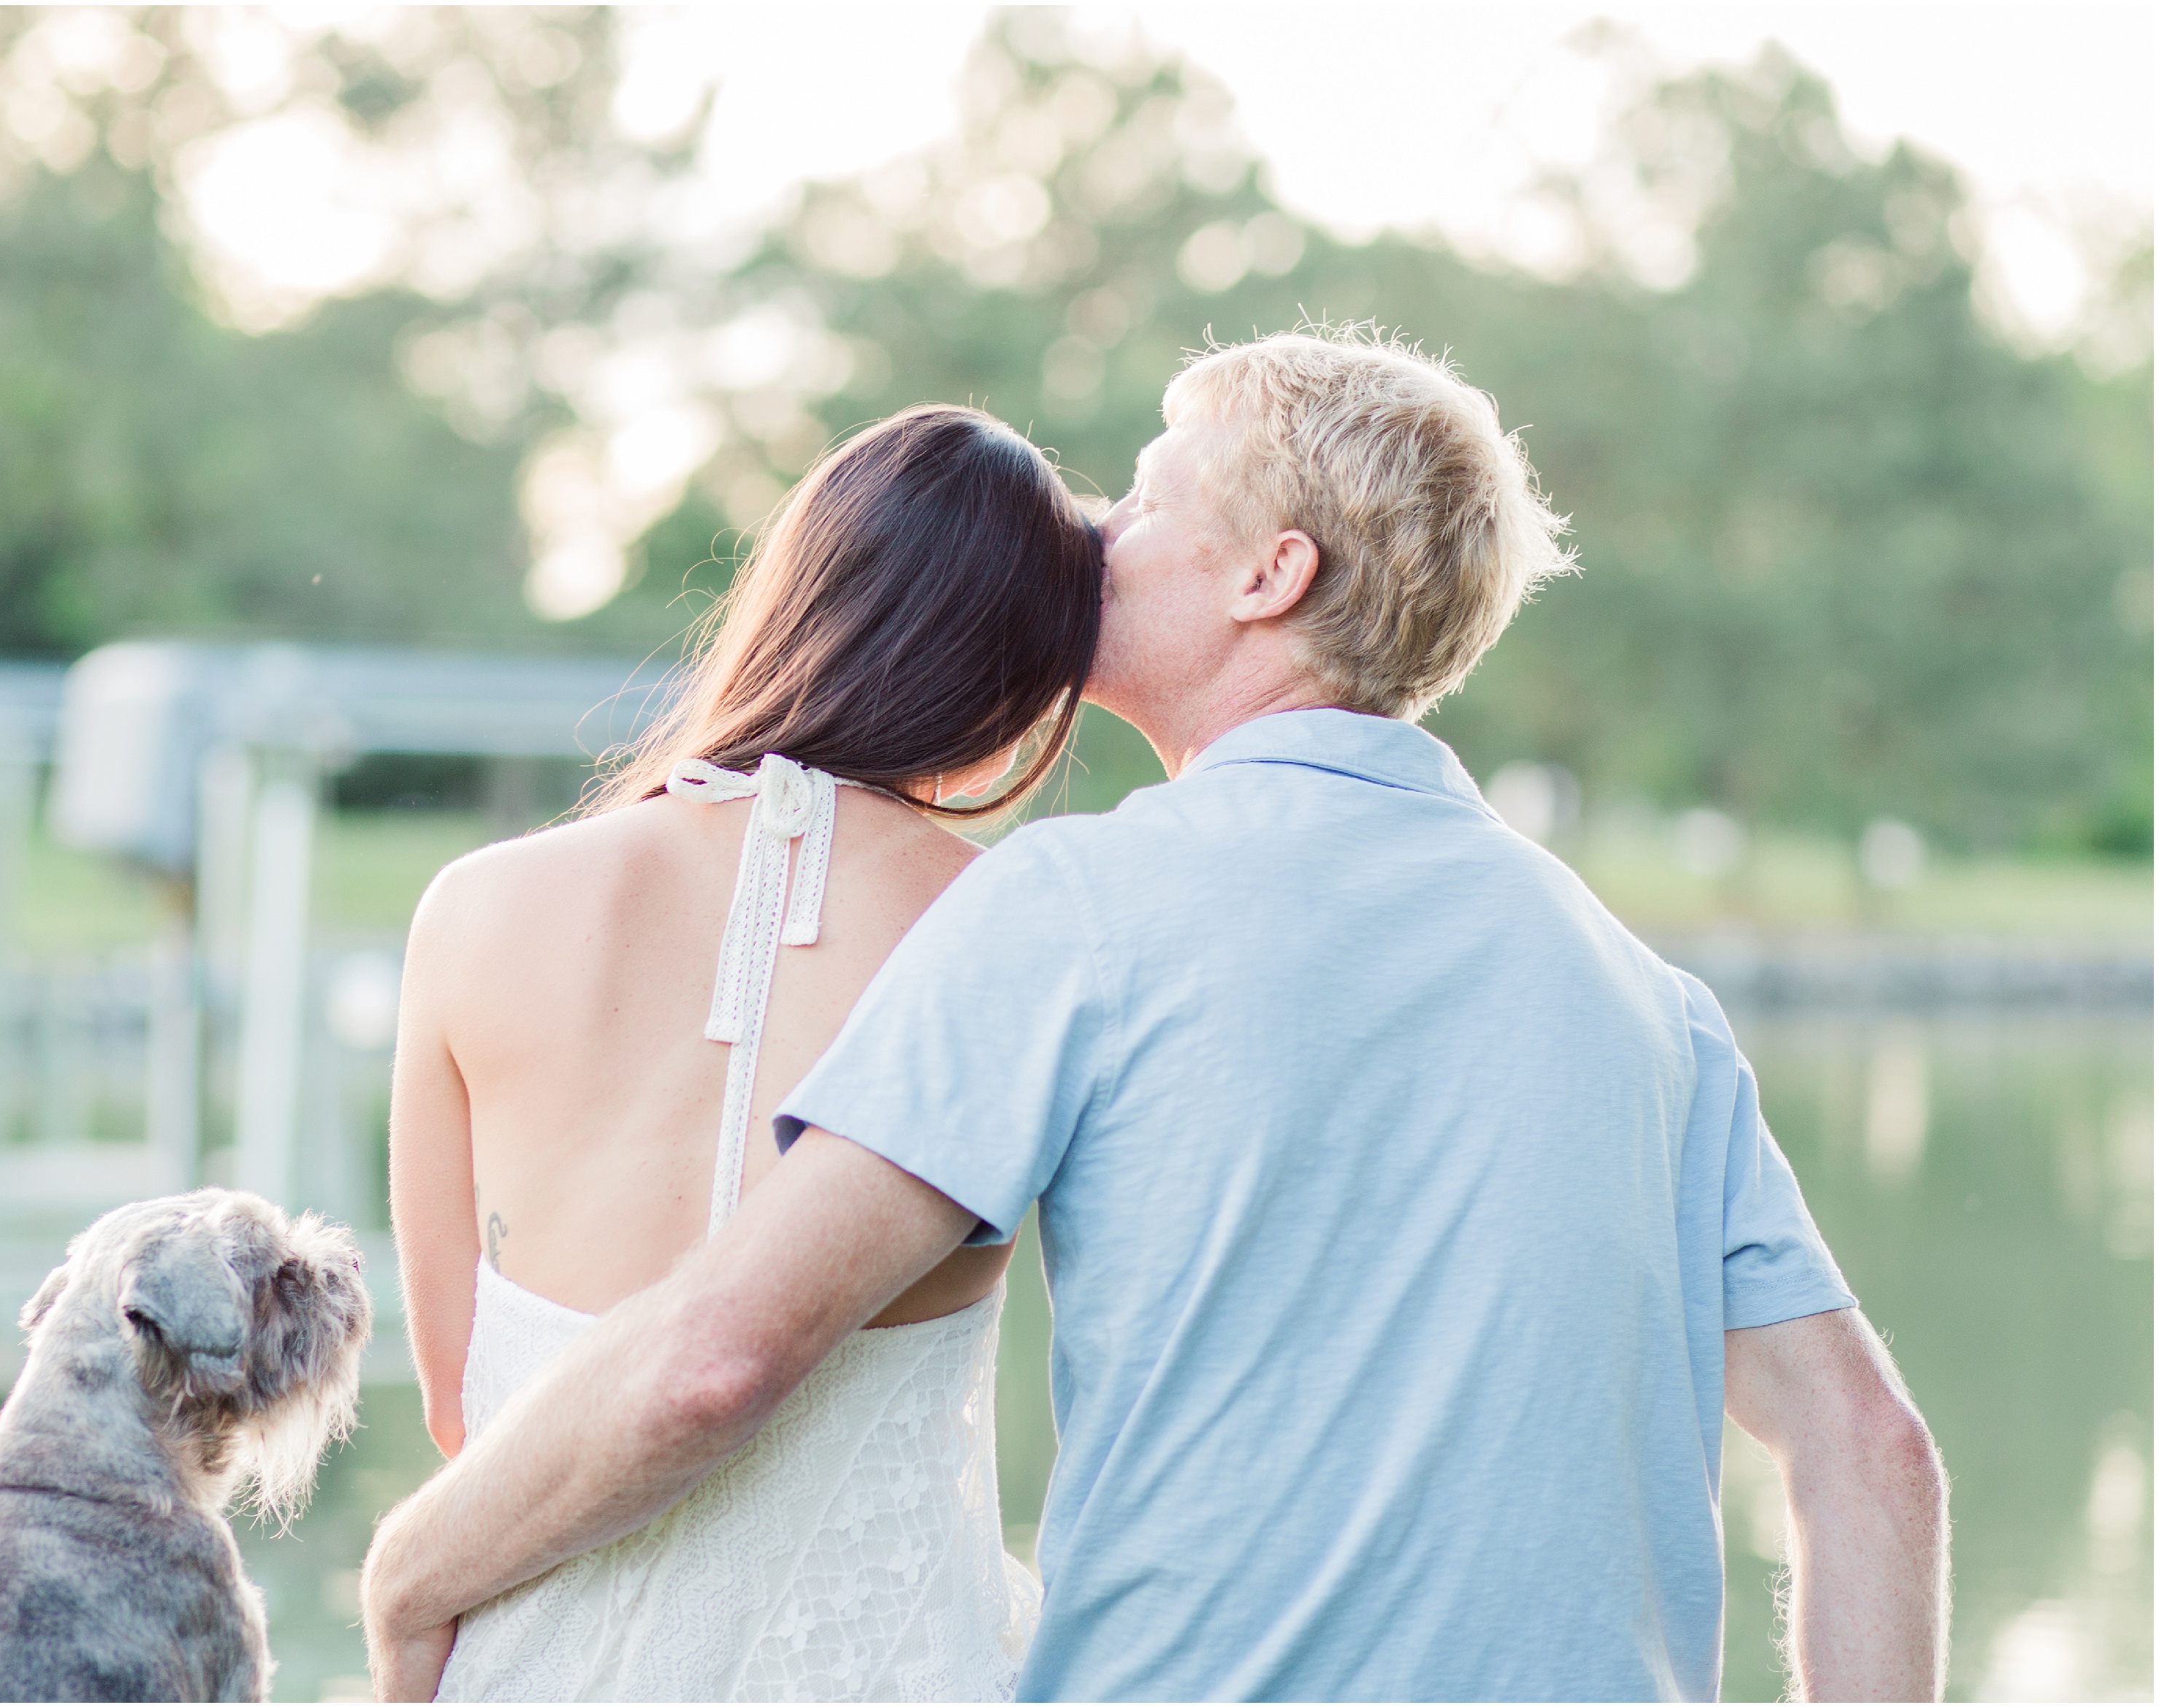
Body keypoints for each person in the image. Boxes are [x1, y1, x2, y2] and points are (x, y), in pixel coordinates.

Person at [362, 332, 1952, 1701]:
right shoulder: (1647, 997)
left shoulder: (1073, 907)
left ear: (1272, 575)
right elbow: (1874, 1453)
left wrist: (412, 1567)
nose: (1094, 532)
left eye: (1143, 494)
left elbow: (718, 1358)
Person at [373, 402, 1103, 1701]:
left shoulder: (475, 906)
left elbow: (463, 1411)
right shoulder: (1012, 926)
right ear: (1018, 678)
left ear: (793, 601)